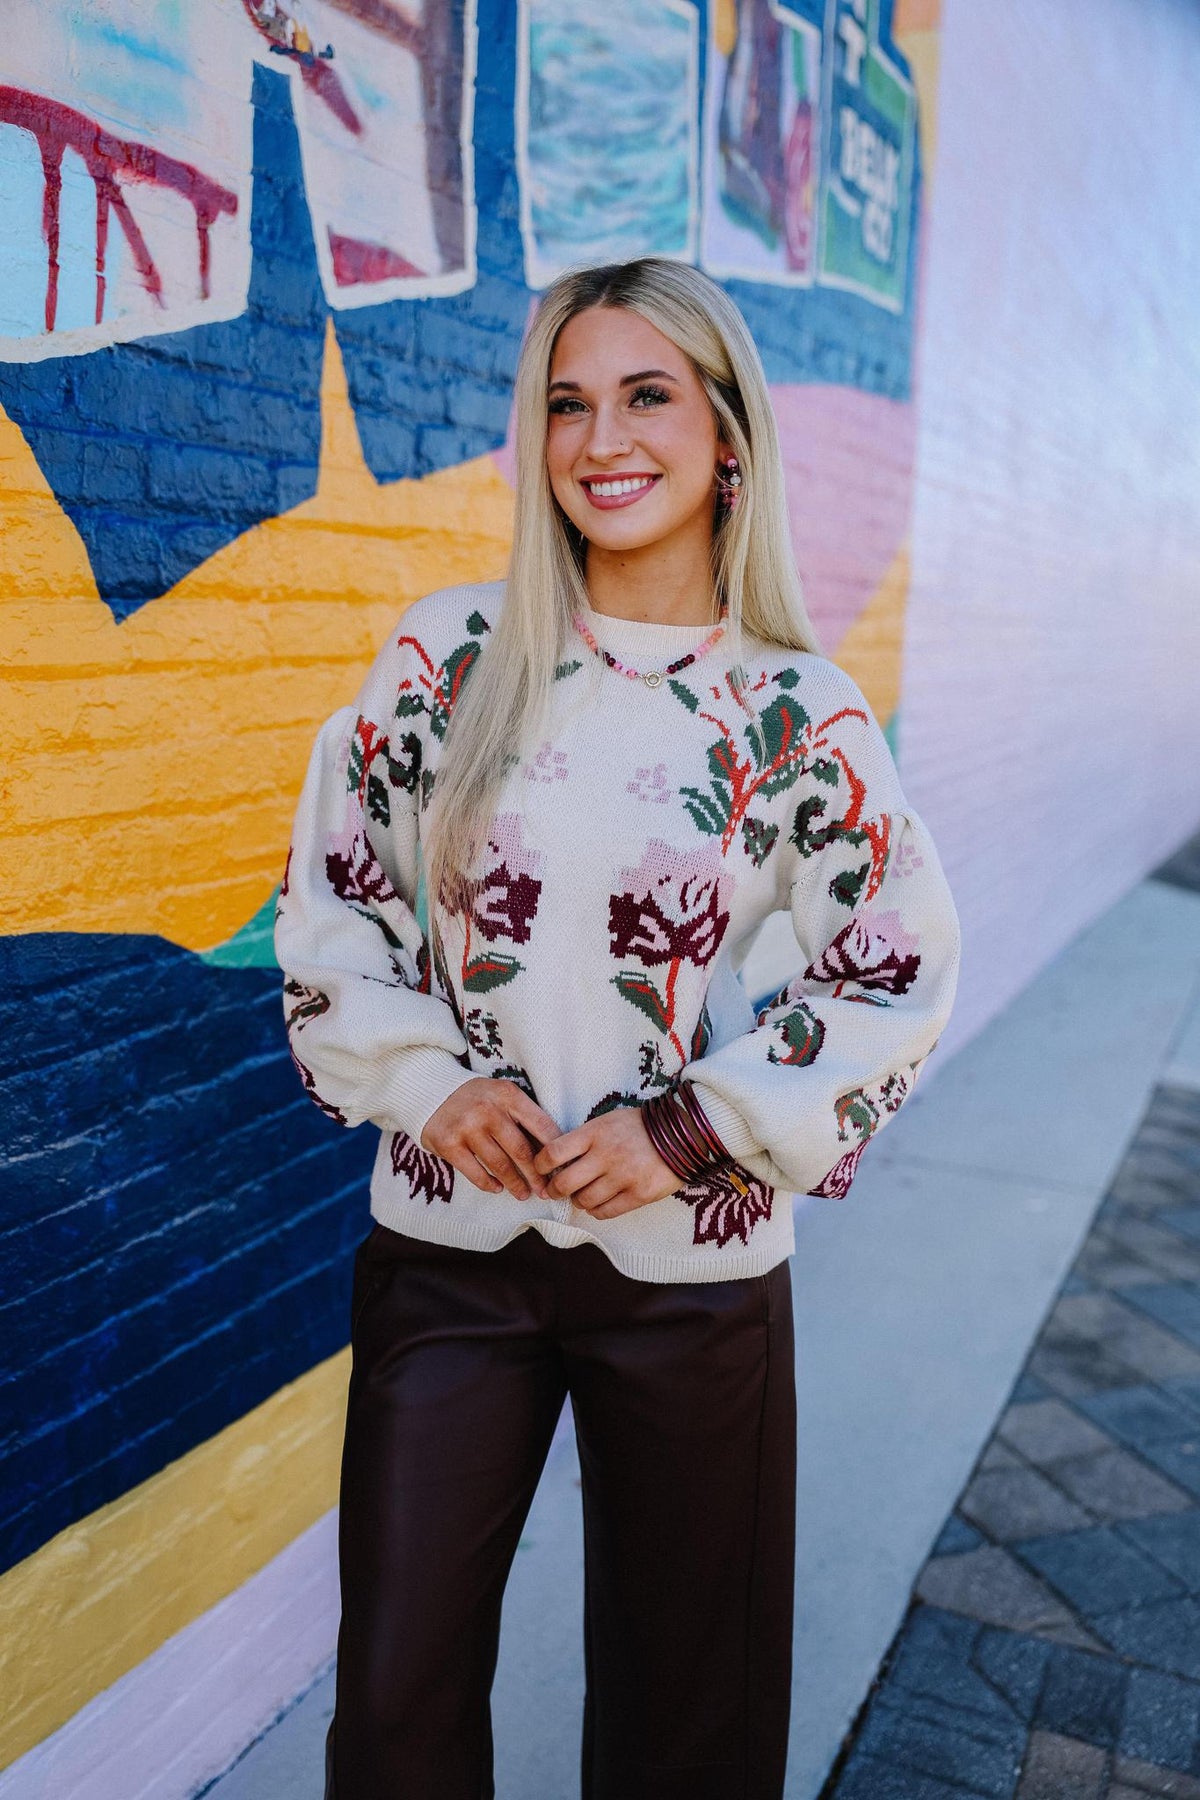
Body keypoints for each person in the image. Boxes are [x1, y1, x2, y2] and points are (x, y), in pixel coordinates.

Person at [274, 255, 961, 1800]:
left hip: (692, 1287)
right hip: (450, 1262)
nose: (603, 439)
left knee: (686, 1722)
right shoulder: (447, 659)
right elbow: (335, 911)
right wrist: (431, 1089)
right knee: (395, 1696)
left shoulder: (796, 713)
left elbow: (895, 967)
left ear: (728, 435)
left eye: (647, 394)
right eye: (568, 403)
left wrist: (691, 1130)